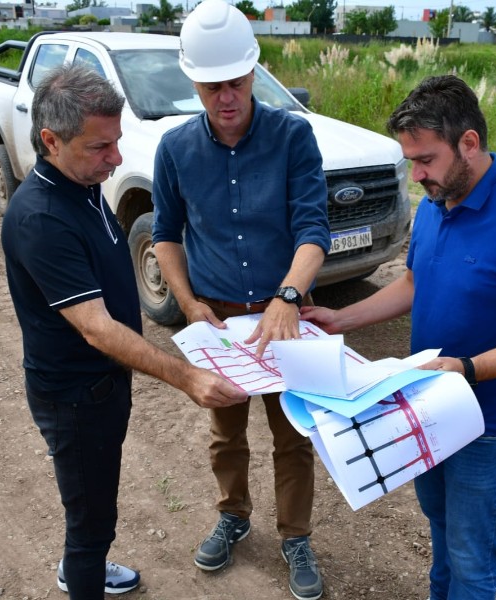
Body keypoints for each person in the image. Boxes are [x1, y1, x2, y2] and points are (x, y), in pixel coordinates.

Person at [301, 74, 496, 600]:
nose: (416, 175)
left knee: (473, 559)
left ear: (469, 144)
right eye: (410, 161)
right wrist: (342, 320)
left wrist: (467, 368)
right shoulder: (436, 204)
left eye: (425, 159)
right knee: (441, 534)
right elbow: (414, 280)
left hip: (489, 423)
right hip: (427, 406)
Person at [1, 64, 246, 600]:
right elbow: (96, 330)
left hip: (101, 387)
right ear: (51, 140)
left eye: (116, 143)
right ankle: (83, 572)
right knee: (91, 519)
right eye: (100, 147)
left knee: (94, 504)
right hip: (74, 396)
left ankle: (84, 563)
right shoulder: (42, 217)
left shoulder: (81, 185)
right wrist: (188, 378)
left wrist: (189, 303)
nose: (115, 159)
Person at [151, 1, 331, 598]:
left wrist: (287, 295)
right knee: (225, 432)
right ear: (193, 81)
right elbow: (166, 235)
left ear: (253, 73)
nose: (224, 96)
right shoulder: (175, 149)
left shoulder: (292, 136)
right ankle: (233, 514)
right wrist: (187, 302)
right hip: (219, 318)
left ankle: (295, 535)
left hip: (285, 316)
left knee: (292, 434)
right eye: (210, 85)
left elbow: (313, 230)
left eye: (234, 81)